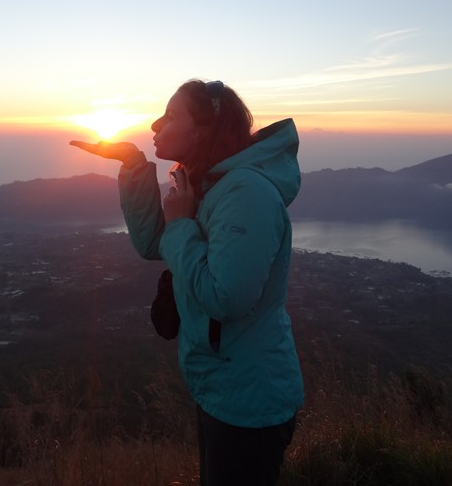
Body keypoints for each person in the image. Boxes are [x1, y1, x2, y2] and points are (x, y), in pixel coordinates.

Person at [70, 79, 303, 485]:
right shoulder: (203, 183)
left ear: (204, 130)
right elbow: (154, 243)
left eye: (172, 115)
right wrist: (135, 167)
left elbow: (225, 297)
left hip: (249, 399)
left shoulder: (245, 193)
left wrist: (180, 223)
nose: (156, 124)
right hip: (220, 385)